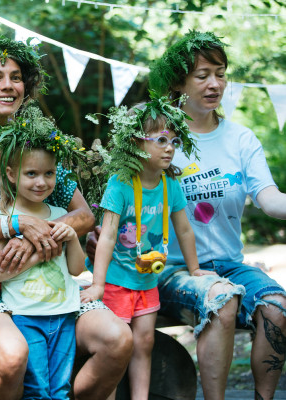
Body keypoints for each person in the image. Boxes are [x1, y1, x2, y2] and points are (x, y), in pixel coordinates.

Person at [0, 23, 133, 400]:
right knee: (12, 357)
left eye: (16, 78)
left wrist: (38, 242)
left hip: (52, 276)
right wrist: (16, 224)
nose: (8, 85)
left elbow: (84, 215)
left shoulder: (40, 144)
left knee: (118, 340)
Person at [89, 31, 286, 400]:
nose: (215, 83)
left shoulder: (241, 139)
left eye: (221, 73)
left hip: (229, 263)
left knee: (277, 307)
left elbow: (270, 198)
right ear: (180, 83)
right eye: (202, 74)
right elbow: (121, 204)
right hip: (165, 270)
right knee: (220, 297)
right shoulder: (157, 137)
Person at [81, 96, 204, 399]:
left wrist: (195, 268)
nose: (170, 147)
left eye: (174, 140)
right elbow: (107, 236)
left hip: (147, 278)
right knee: (115, 346)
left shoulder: (170, 185)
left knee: (144, 342)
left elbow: (184, 229)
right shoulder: (119, 184)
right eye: (161, 139)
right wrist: (97, 285)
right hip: (116, 282)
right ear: (136, 143)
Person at [0, 105, 86, 399]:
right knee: (37, 390)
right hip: (26, 315)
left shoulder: (62, 213)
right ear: (12, 174)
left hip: (64, 313)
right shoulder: (4, 218)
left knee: (62, 390)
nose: (41, 182)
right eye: (32, 174)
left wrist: (72, 238)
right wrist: (39, 252)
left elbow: (78, 269)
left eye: (49, 173)